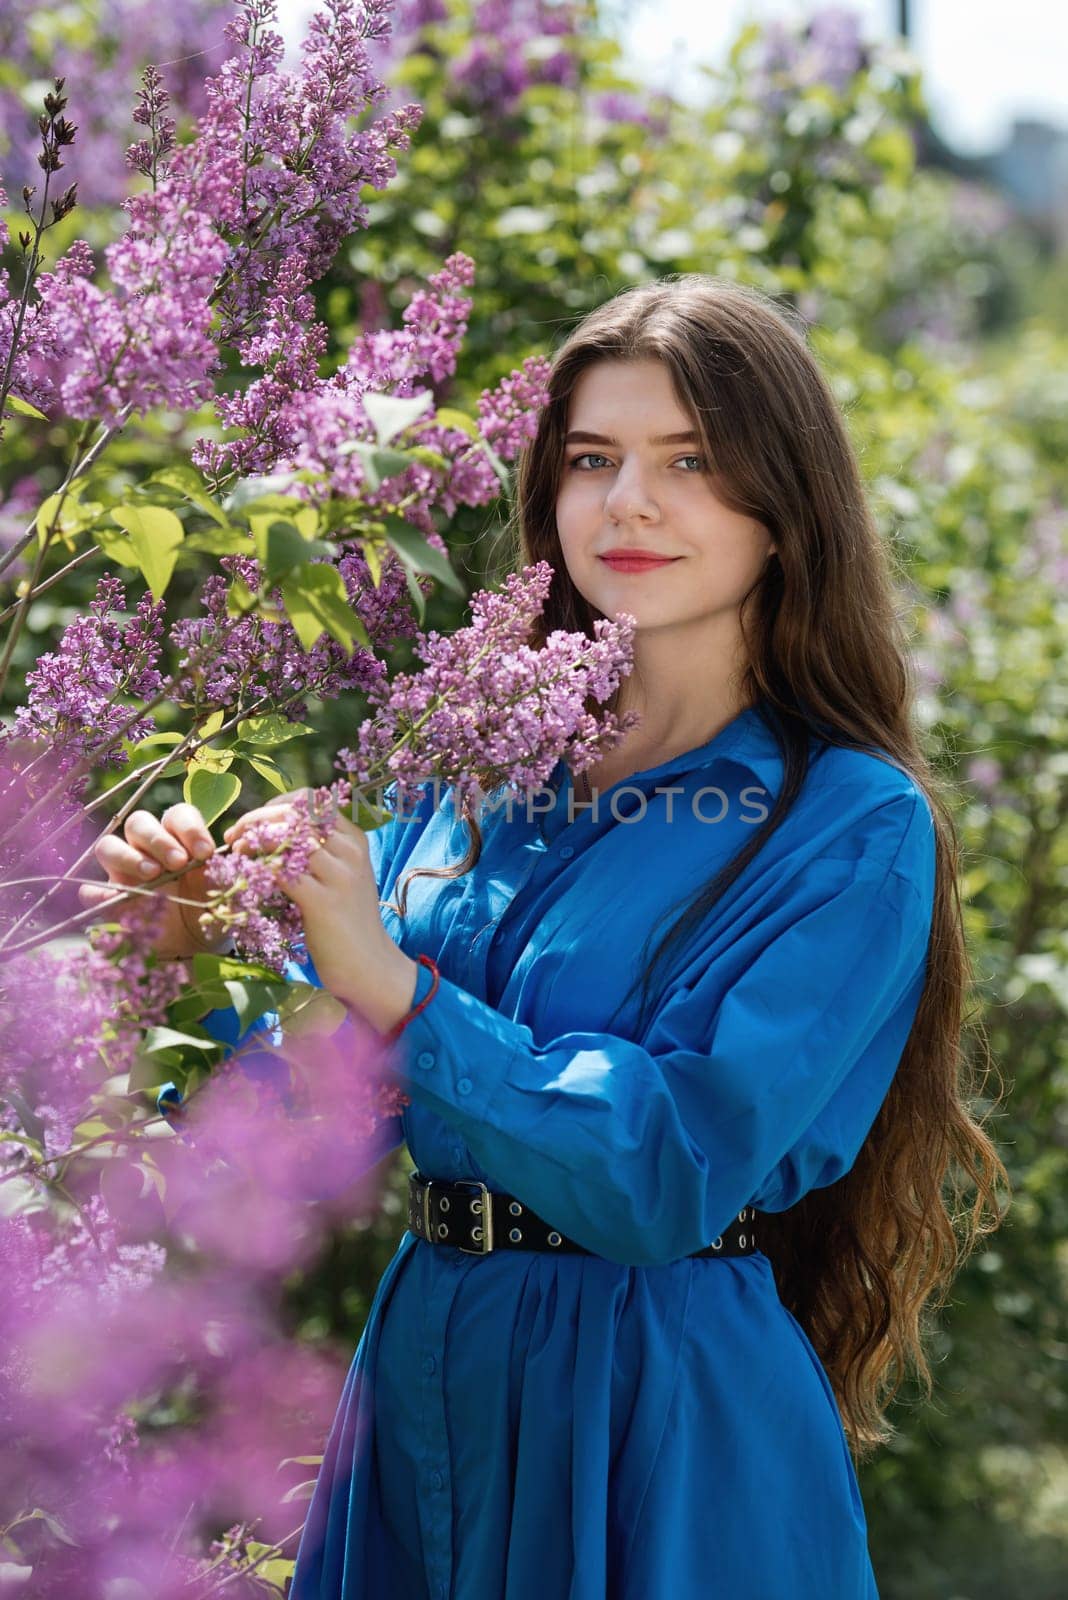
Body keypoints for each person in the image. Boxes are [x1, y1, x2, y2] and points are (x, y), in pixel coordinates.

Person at [84, 276, 1008, 1599]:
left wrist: (399, 993)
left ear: (784, 507)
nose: (628, 501)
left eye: (690, 460)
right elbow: (291, 1155)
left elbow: (671, 1171)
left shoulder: (849, 826)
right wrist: (194, 962)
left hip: (652, 1409)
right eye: (592, 459)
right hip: (424, 1377)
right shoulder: (468, 776)